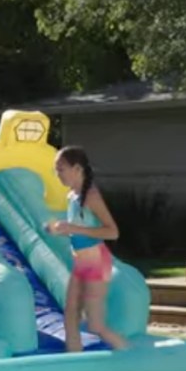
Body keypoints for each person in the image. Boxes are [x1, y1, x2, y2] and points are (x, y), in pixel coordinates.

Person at [46, 146, 128, 352]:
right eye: (56, 170)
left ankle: (131, 357)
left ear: (77, 168)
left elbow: (112, 232)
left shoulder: (91, 195)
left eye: (61, 169)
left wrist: (73, 228)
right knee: (70, 316)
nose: (58, 175)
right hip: (80, 263)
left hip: (97, 264)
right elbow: (80, 228)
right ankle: (74, 363)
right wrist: (61, 229)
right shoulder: (71, 196)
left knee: (95, 325)